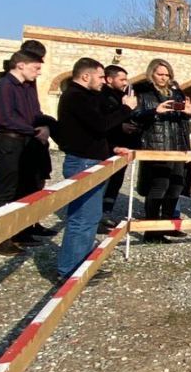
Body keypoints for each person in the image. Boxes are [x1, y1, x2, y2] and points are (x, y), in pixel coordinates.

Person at [53, 58, 136, 278]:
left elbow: (93, 133)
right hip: (82, 162)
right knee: (82, 218)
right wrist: (126, 108)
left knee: (90, 217)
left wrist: (112, 147)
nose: (103, 82)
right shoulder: (76, 97)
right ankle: (70, 270)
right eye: (100, 77)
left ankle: (81, 265)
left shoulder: (85, 97)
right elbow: (101, 125)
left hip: (90, 159)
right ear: (85, 76)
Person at [0, 51, 59, 255]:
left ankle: (20, 231)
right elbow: (5, 119)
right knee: (6, 190)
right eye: (35, 68)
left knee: (24, 188)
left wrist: (46, 125)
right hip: (8, 142)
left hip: (25, 142)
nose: (38, 73)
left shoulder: (26, 88)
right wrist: (34, 131)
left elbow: (34, 114)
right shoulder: (3, 87)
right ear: (21, 65)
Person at [132, 59, 191, 242]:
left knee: (175, 186)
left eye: (167, 75)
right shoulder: (144, 93)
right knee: (159, 187)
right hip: (156, 146)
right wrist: (155, 111)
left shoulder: (176, 93)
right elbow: (135, 117)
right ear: (152, 74)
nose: (163, 78)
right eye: (160, 74)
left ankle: (167, 225)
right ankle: (152, 231)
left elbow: (183, 124)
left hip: (177, 146)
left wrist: (188, 113)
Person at [99, 64, 140, 227]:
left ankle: (107, 211)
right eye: (121, 79)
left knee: (116, 180)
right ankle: (96, 216)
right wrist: (120, 125)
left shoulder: (121, 96)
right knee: (102, 180)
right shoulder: (102, 97)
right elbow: (104, 122)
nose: (125, 82)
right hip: (106, 146)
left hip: (122, 145)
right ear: (109, 79)